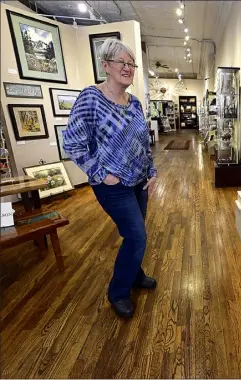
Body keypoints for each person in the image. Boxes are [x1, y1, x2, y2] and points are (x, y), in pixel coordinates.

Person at [63, 39, 157, 318]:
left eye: (131, 63)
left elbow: (143, 141)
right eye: (122, 63)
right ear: (105, 65)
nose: (128, 68)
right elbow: (72, 144)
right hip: (113, 186)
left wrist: (151, 170)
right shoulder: (91, 98)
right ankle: (117, 292)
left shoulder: (135, 102)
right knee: (137, 236)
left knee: (135, 233)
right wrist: (102, 174)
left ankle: (135, 275)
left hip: (139, 181)